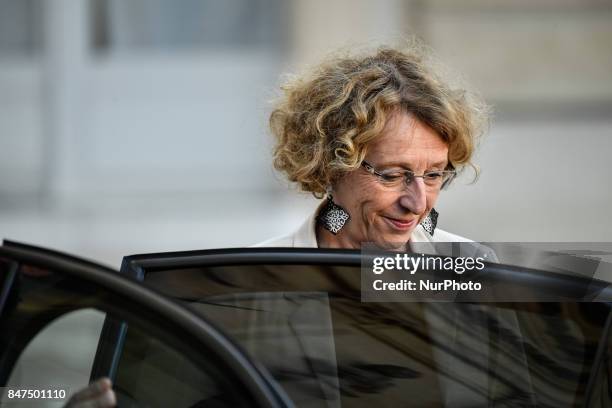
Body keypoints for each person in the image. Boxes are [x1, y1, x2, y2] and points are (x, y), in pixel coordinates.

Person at [257, 44, 489, 250]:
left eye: (433, 175)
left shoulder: (470, 269)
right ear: (331, 167)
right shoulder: (256, 275)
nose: (417, 204)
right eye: (392, 175)